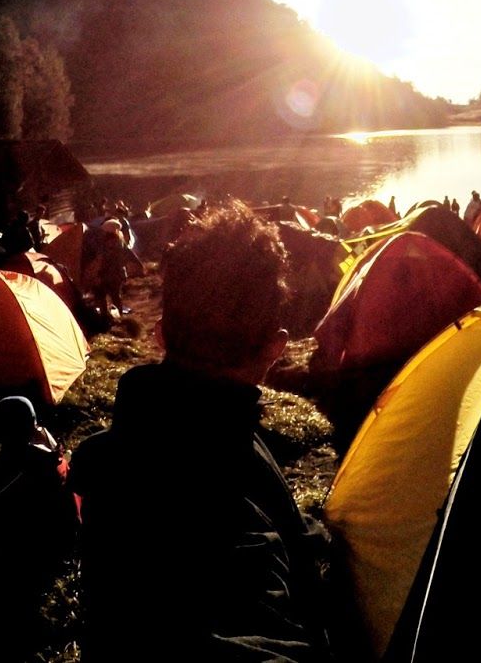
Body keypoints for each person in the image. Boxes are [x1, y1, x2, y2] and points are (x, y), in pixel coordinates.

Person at [69, 202, 333, 661]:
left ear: (161, 335)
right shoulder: (228, 465)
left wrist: (308, 533)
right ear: (276, 349)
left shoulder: (121, 453)